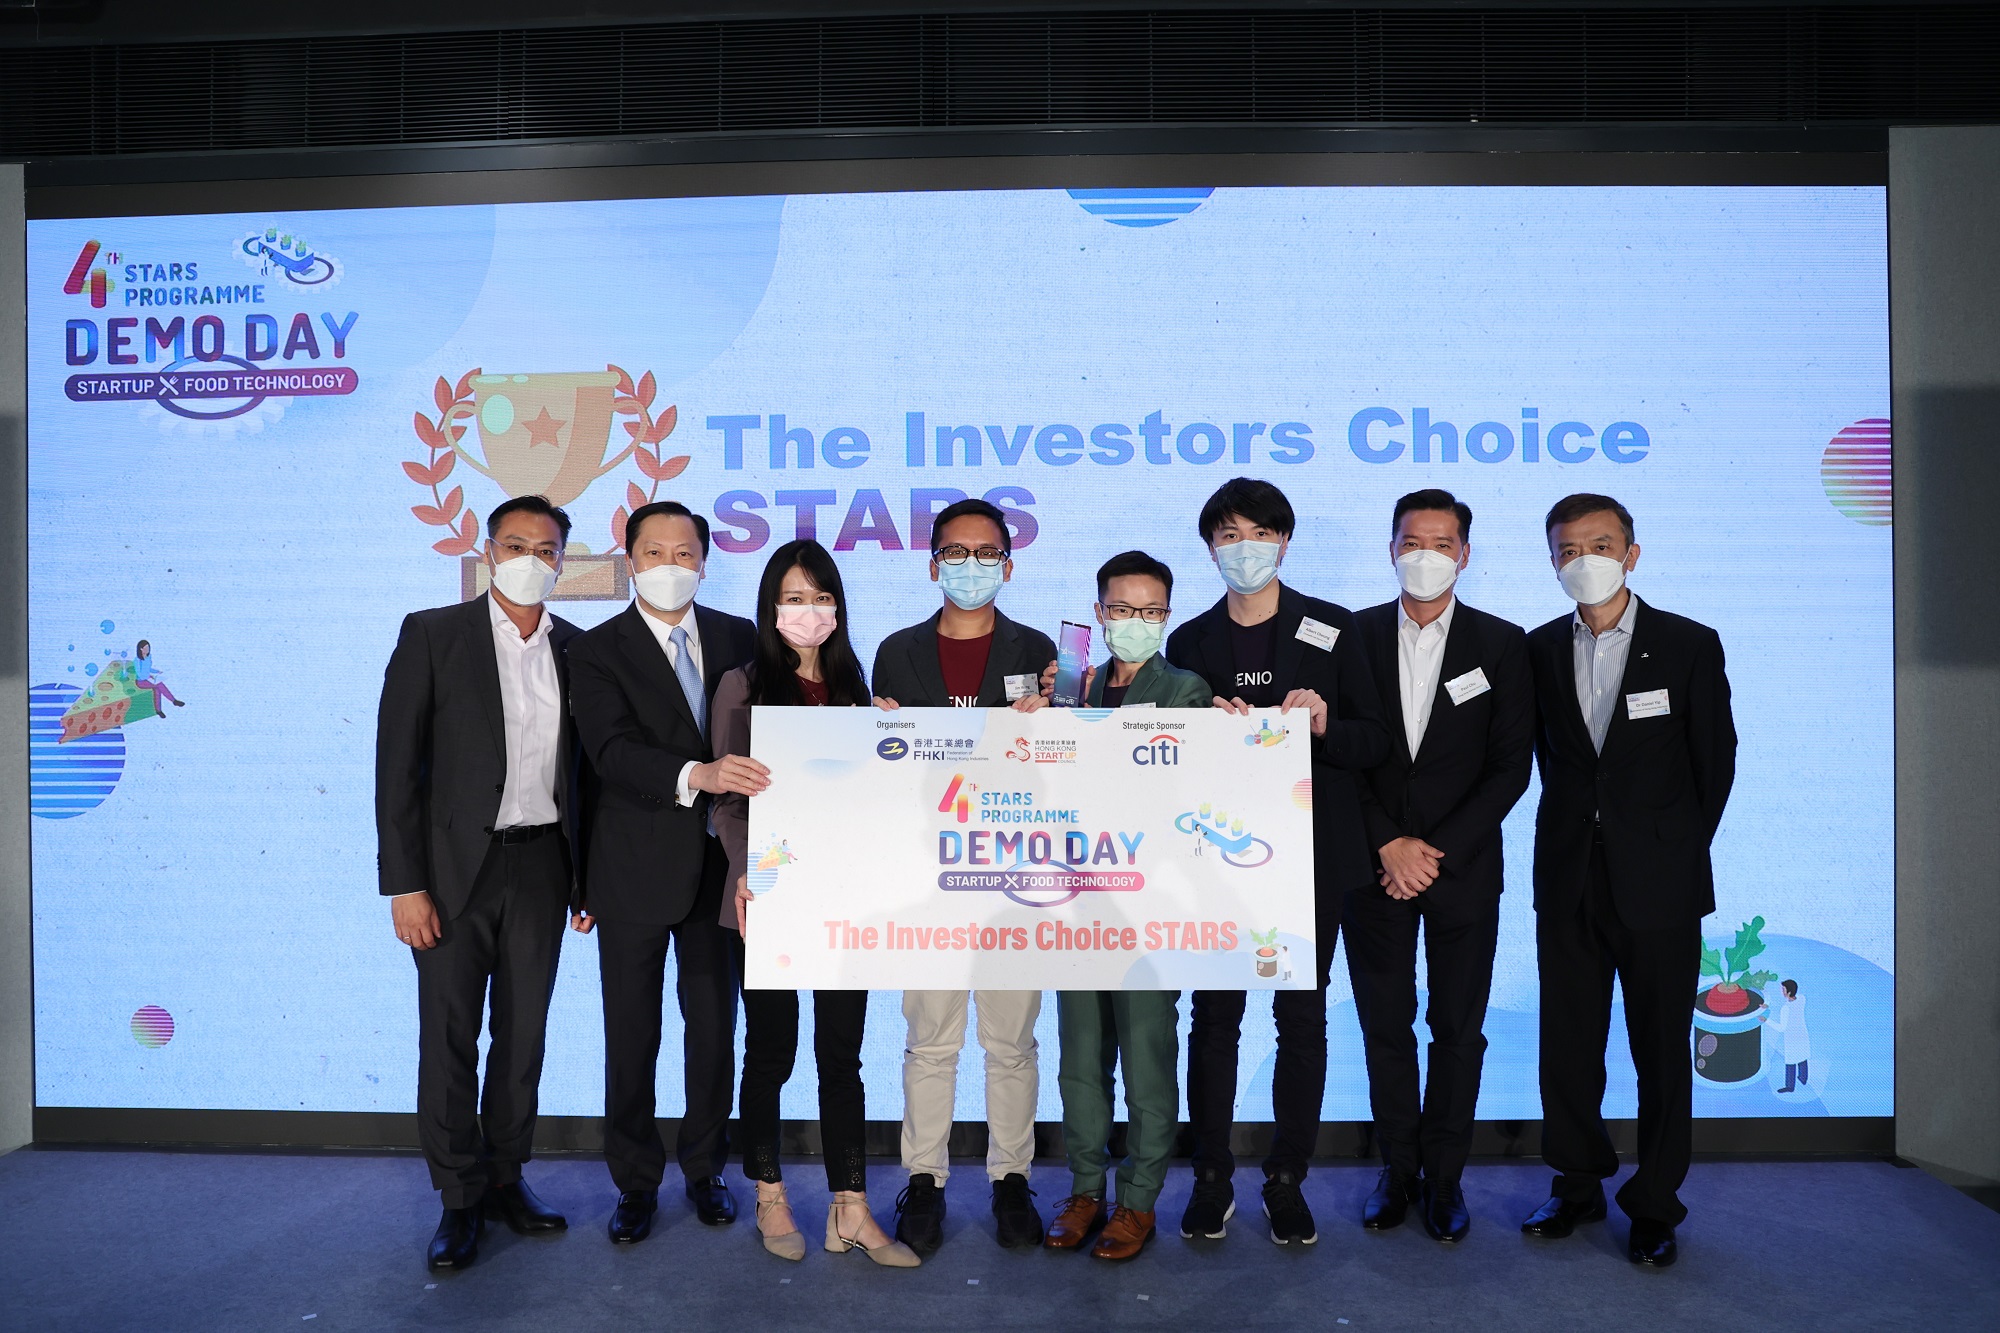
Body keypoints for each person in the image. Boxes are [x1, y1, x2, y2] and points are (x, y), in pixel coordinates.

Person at [1164, 477, 1392, 1246]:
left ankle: (1287, 1176)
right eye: (1229, 535)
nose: (1245, 549)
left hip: (1309, 856)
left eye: (1260, 534)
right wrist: (1205, 733)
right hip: (1217, 856)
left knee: (1301, 1017)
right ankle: (1211, 1175)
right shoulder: (1189, 640)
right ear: (1210, 548)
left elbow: (1374, 741)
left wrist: (1324, 725)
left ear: (1285, 543)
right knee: (1214, 1018)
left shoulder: (1335, 627)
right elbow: (1167, 757)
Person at [1521, 493, 1736, 1269]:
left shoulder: (1688, 643)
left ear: (1632, 553)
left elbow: (1715, 763)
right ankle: (1577, 1182)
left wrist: (1666, 848)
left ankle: (1654, 1202)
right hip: (1568, 876)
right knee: (1568, 1045)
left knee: (1661, 1050)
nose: (1585, 560)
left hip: (1660, 883)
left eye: (1601, 544)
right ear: (1553, 561)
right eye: (1568, 549)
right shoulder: (1538, 648)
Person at [375, 495, 583, 1271]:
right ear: (488, 551)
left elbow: (586, 775)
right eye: (516, 544)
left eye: (546, 548)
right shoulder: (433, 634)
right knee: (450, 1034)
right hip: (453, 872)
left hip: (543, 865)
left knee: (524, 1035)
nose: (531, 558)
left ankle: (505, 1174)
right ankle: (458, 1195)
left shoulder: (577, 649)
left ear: (562, 560)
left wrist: (588, 880)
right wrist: (405, 884)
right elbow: (396, 768)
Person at [710, 540, 920, 1268]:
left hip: (843, 895)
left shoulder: (855, 686)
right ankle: (769, 1193)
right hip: (767, 891)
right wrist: (748, 872)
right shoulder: (742, 685)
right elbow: (728, 800)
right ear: (771, 606)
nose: (810, 611)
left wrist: (890, 736)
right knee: (770, 1049)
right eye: (795, 598)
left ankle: (849, 1207)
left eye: (822, 598)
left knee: (842, 1054)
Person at [566, 501, 762, 1245]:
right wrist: (695, 773)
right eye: (655, 553)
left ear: (704, 563)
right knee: (631, 1033)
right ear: (630, 561)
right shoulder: (595, 648)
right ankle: (635, 1181)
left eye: (685, 553)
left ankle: (707, 1168)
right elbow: (608, 752)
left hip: (720, 867)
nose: (670, 565)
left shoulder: (740, 636)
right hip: (630, 868)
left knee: (713, 1029)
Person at [870, 497, 1055, 1255]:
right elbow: (885, 767)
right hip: (929, 872)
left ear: (1008, 566)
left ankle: (1012, 1177)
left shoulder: (1037, 648)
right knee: (930, 1040)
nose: (971, 566)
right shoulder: (897, 651)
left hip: (1013, 871)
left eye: (986, 553)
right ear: (932, 565)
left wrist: (1056, 724)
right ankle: (925, 1178)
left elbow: (1060, 769)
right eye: (956, 552)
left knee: (1011, 1042)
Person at [1347, 490, 1533, 1243]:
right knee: (1385, 1026)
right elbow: (1337, 755)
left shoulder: (1504, 643)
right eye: (1411, 542)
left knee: (1458, 1028)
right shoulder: (1352, 636)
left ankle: (1446, 1176)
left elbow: (1510, 767)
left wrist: (1432, 851)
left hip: (1462, 871)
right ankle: (1398, 1169)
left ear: (1464, 553)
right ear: (1391, 548)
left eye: (1441, 543)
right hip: (1373, 869)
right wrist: (1387, 843)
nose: (1425, 555)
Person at [1036, 551, 1214, 1263]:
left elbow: (1176, 791)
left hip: (1149, 906)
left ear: (1166, 616)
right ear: (1099, 611)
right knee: (1080, 1060)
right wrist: (1045, 718)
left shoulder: (1185, 689)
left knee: (1147, 1061)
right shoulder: (1069, 684)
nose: (1135, 621)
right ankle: (1086, 1190)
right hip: (1075, 901)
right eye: (1121, 609)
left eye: (1150, 611)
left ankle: (1138, 1200)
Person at [1764, 980, 1810, 1093]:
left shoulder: (1786, 1008)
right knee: (1802, 1058)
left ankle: (1790, 1086)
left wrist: (1766, 1020)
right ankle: (1803, 1079)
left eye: (1783, 989)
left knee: (1791, 1063)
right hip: (1802, 1035)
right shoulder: (1802, 999)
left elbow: (1781, 1028)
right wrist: (1767, 1006)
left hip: (1791, 1038)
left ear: (1788, 992)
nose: (1782, 992)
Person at [132, 639, 185, 714]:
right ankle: (174, 701)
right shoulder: (137, 660)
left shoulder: (148, 657)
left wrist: (157, 671)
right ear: (141, 649)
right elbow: (139, 674)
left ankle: (158, 710)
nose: (148, 650)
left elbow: (148, 669)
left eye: (148, 648)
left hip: (148, 679)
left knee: (157, 689)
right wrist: (148, 677)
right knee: (160, 685)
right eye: (146, 648)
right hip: (140, 682)